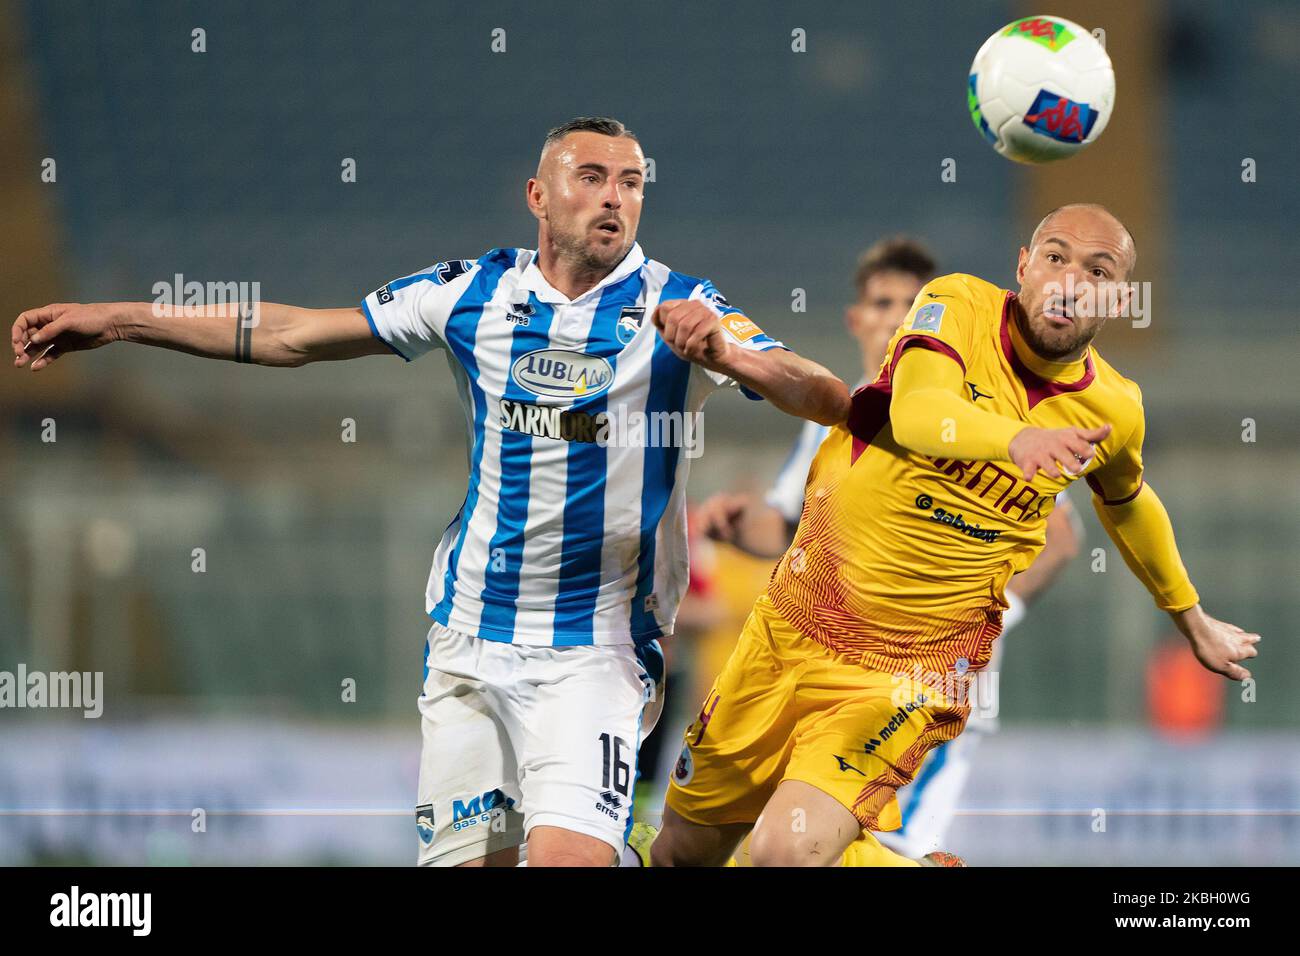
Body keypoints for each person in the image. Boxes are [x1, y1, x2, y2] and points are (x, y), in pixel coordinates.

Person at [10, 116, 849, 868]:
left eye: (631, 182)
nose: (614, 198)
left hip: (597, 653)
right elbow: (295, 334)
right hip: (470, 642)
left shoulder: (681, 306)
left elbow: (823, 397)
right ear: (538, 195)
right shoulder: (472, 293)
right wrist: (119, 319)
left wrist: (733, 357)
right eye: (590, 176)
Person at [651, 203, 1261, 867]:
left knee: (781, 854)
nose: (1069, 280)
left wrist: (1188, 614)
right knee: (681, 854)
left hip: (908, 672)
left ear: (1117, 297)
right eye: (1054, 256)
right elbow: (918, 415)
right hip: (788, 629)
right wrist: (1016, 438)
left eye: (1097, 270)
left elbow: (1129, 500)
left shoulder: (1113, 407)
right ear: (1023, 266)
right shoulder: (958, 305)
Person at [696, 235, 1082, 862]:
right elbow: (793, 528)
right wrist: (740, 526)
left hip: (926, 687)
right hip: (836, 685)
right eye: (883, 302)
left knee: (872, 847)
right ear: (857, 319)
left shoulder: (971, 405)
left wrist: (988, 614)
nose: (898, 317)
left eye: (914, 304)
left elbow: (1059, 536)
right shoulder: (843, 408)